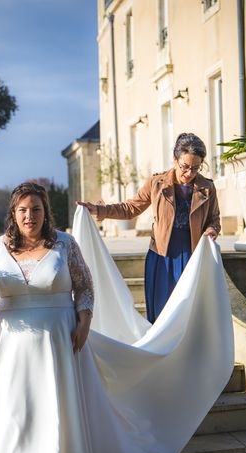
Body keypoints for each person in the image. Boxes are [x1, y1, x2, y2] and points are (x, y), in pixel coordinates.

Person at [0, 182, 234, 453]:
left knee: (56, 412)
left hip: (59, 339)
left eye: (35, 209)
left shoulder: (65, 243)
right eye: (22, 210)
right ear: (13, 213)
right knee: (14, 409)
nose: (29, 216)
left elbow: (85, 286)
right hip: (10, 345)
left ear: (45, 212)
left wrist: (84, 321)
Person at [78, 132, 221, 323]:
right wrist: (99, 210)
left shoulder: (207, 187)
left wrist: (212, 230)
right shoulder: (156, 183)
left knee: (188, 315)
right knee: (161, 314)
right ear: (175, 159)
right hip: (161, 256)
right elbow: (130, 208)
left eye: (195, 168)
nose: (189, 174)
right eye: (185, 166)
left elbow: (214, 219)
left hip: (192, 256)